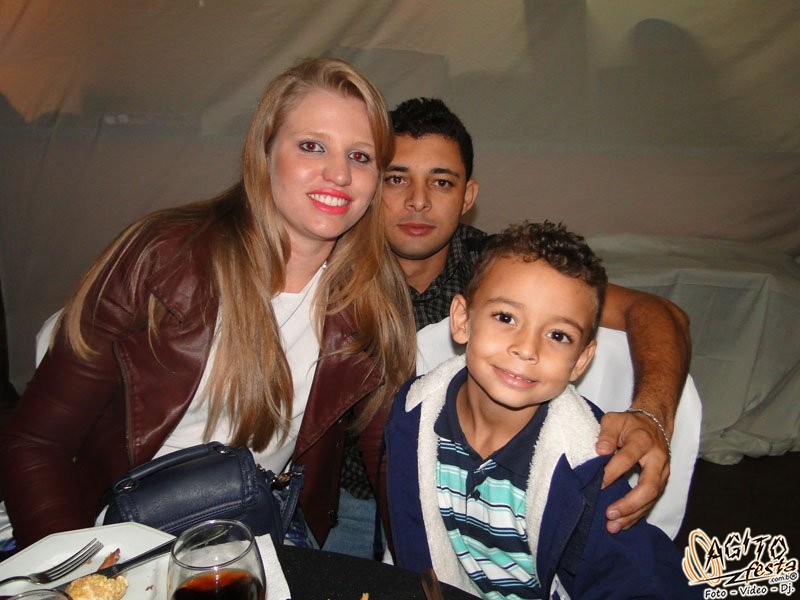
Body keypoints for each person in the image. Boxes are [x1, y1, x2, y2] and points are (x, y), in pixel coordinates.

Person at [0, 56, 416, 550]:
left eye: (360, 156)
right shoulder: (164, 257)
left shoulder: (373, 293)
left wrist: (429, 570)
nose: (339, 174)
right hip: (114, 538)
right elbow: (36, 443)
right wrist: (84, 573)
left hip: (260, 534)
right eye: (312, 146)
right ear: (265, 152)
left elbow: (389, 455)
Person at [382, 97, 692, 535]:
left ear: (467, 196)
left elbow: (659, 312)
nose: (418, 201)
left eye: (442, 182)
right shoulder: (333, 269)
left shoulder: (501, 271)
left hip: (480, 503)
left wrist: (652, 417)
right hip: (351, 501)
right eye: (397, 179)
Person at [385, 221, 701, 599]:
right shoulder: (414, 414)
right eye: (506, 317)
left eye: (558, 335)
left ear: (580, 361)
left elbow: (640, 581)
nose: (527, 348)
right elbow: (410, 540)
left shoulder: (587, 469)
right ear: (463, 320)